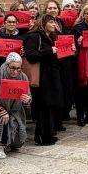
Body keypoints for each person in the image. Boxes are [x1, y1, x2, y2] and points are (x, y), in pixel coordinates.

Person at [24, 14, 65, 145]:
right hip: (42, 76)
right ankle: (41, 135)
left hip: (52, 75)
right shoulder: (35, 36)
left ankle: (49, 132)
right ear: (44, 23)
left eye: (55, 22)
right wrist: (49, 51)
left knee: (50, 105)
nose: (54, 25)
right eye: (51, 22)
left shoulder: (52, 37)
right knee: (43, 105)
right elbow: (30, 55)